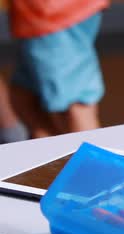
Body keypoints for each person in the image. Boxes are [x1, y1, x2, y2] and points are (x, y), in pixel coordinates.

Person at [7, 0, 109, 138]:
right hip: (40, 16)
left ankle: (92, 159)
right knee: (25, 97)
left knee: (73, 108)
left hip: (51, 15)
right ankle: (49, 153)